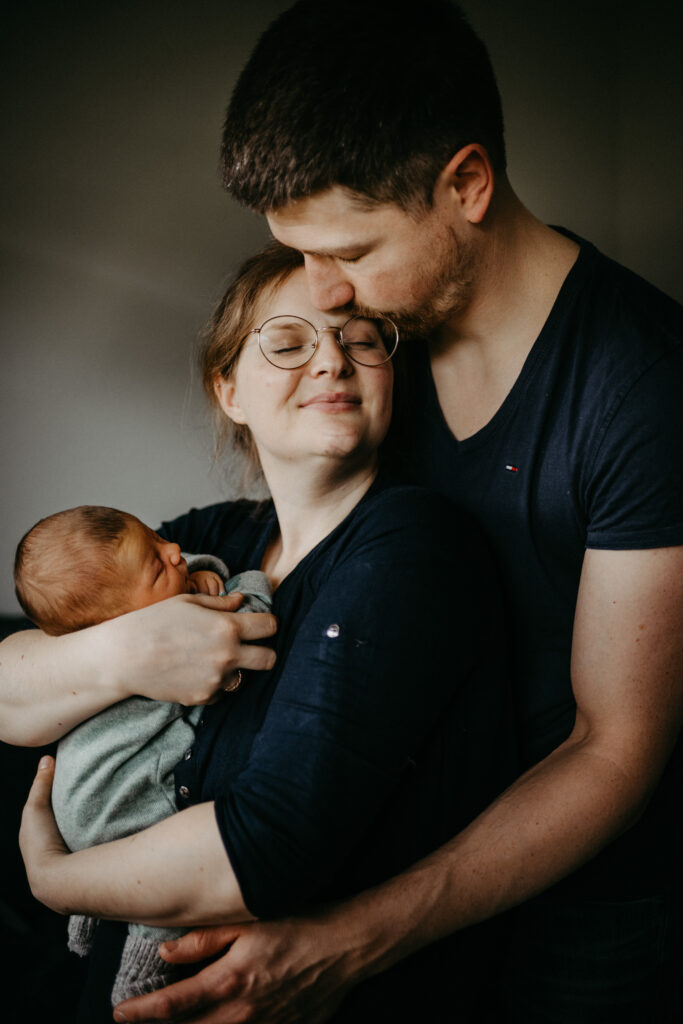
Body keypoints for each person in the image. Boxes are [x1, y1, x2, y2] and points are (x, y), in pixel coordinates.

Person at [76, 1, 681, 1021]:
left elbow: (613, 745)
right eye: (297, 254)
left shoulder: (639, 384)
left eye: (347, 251)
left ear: (466, 185)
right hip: (388, 858)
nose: (325, 297)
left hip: (587, 916)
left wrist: (352, 940)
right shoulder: (375, 349)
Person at [17, 243, 515, 1022]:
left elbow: (265, 851)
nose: (331, 363)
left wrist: (53, 878)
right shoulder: (216, 542)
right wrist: (123, 650)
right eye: (288, 343)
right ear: (230, 391)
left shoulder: (410, 544)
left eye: (360, 339)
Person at [14, 504, 272, 1004]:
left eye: (158, 539)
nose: (174, 551)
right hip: (114, 805)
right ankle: (140, 971)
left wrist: (190, 576)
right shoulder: (168, 630)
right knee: (157, 878)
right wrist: (251, 585)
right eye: (158, 564)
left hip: (73, 814)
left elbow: (186, 561)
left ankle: (85, 919)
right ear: (120, 622)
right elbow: (248, 615)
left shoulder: (140, 588)